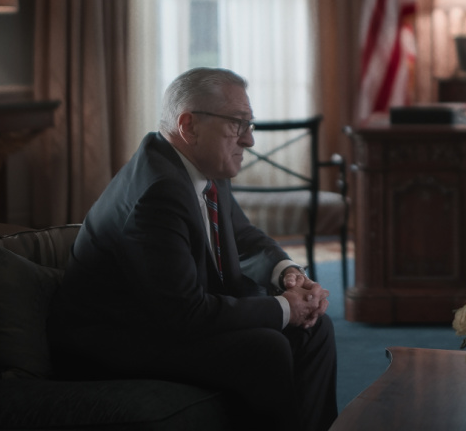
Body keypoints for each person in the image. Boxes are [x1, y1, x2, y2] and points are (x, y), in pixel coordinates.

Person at [50, 68, 338, 431]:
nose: (249, 140)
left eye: (250, 125)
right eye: (238, 124)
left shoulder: (204, 168)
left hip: (162, 322)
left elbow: (245, 237)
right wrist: (285, 307)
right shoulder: (157, 192)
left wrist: (288, 274)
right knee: (267, 348)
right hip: (116, 342)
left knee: (316, 328)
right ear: (189, 126)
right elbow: (183, 314)